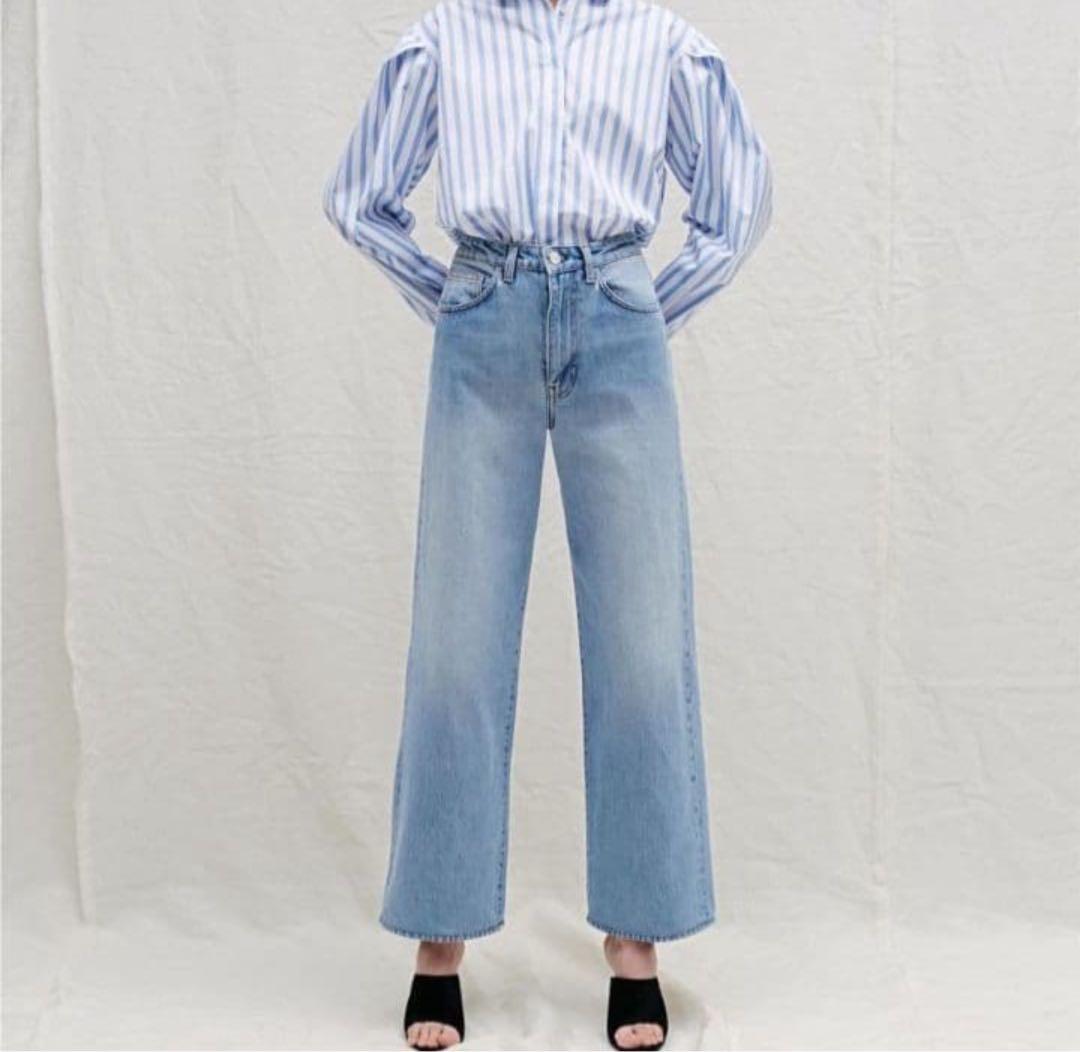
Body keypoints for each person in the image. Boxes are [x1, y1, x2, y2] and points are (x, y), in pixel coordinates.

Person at [322, 0, 772, 1047]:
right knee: (456, 642)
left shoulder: (660, 40)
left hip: (617, 316)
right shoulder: (446, 36)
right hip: (485, 318)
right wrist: (457, 299)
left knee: (643, 644)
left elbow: (737, 200)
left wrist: (643, 308)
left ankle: (637, 945)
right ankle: (438, 941)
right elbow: (358, 197)